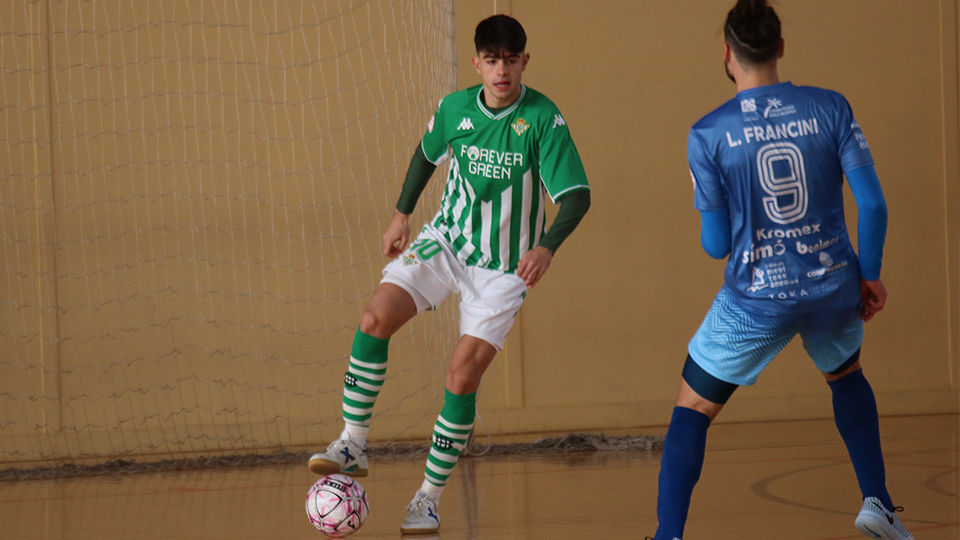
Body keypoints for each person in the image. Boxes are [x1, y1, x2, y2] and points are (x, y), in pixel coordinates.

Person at [308, 14, 591, 535]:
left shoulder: (543, 119)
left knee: (460, 377)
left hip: (503, 271)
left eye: (510, 60)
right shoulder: (455, 108)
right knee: (374, 318)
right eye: (491, 60)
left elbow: (576, 196)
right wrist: (401, 212)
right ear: (476, 62)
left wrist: (547, 248)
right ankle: (351, 444)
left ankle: (426, 499)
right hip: (447, 241)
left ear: (524, 61)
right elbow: (426, 154)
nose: (500, 71)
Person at [650, 1, 912, 539]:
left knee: (692, 408)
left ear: (727, 54)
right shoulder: (831, 107)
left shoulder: (708, 134)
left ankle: (669, 535)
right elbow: (875, 205)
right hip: (833, 284)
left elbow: (716, 245)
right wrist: (870, 273)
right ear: (780, 48)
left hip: (755, 299)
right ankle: (877, 504)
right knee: (846, 376)